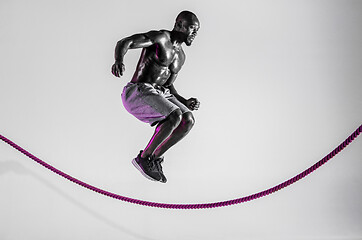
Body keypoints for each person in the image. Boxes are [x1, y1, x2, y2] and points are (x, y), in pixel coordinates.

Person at [111, 11, 200, 183]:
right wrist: (119, 60)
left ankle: (155, 158)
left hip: (160, 92)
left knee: (187, 119)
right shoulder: (161, 38)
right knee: (175, 115)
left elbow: (168, 86)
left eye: (197, 31)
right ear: (179, 24)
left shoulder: (181, 57)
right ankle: (144, 158)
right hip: (138, 91)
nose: (195, 34)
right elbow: (125, 42)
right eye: (192, 28)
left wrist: (184, 101)